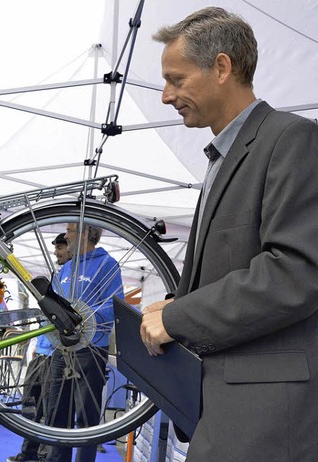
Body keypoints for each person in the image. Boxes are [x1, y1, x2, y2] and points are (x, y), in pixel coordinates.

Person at [140, 7, 318, 461]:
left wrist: (179, 318)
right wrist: (181, 304)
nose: (165, 96)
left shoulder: (291, 140)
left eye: (176, 80)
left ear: (222, 67)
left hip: (266, 419)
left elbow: (295, 272)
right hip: (225, 411)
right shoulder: (224, 154)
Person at [45, 224, 123, 462]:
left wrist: (85, 319)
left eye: (70, 230)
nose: (65, 236)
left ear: (86, 234)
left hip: (91, 348)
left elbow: (115, 305)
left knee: (86, 414)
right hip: (62, 347)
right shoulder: (66, 268)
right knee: (56, 411)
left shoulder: (107, 265)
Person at [7, 233, 72, 462]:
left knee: (48, 410)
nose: (56, 252)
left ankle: (43, 457)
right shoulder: (58, 275)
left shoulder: (73, 276)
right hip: (40, 353)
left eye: (60, 247)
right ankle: (28, 454)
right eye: (55, 248)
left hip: (57, 355)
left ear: (71, 246)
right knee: (29, 406)